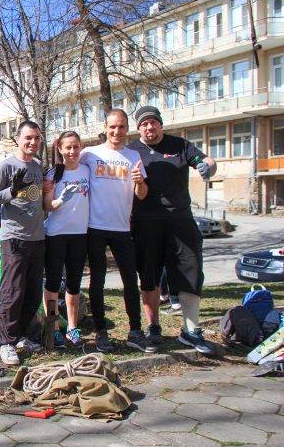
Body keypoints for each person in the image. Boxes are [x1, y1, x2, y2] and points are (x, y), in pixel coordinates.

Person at [127, 105, 217, 355]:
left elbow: (206, 161)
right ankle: (153, 327)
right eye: (144, 124)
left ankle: (191, 330)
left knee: (191, 272)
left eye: (153, 122)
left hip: (181, 221)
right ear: (138, 128)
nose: (149, 127)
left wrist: (208, 166)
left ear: (160, 124)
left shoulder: (180, 145)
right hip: (146, 223)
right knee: (149, 277)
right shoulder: (131, 151)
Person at [80, 108, 149, 353]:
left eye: (121, 127)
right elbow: (71, 169)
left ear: (127, 128)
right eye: (112, 127)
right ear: (105, 128)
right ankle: (101, 332)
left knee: (130, 280)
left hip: (122, 228)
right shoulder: (89, 154)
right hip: (95, 227)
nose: (116, 131)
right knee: (97, 281)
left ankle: (135, 331)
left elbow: (142, 194)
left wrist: (140, 181)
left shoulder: (133, 156)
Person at [0, 121, 48, 365]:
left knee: (32, 293)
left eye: (37, 138)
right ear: (18, 139)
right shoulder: (7, 166)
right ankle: (6, 343)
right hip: (14, 239)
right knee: (13, 292)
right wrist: (11, 191)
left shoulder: (38, 166)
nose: (33, 142)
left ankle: (21, 336)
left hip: (37, 237)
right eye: (28, 138)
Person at [42, 130, 89, 348]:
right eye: (68, 147)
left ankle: (72, 328)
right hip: (56, 234)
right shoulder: (53, 174)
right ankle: (53, 329)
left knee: (74, 284)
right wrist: (60, 200)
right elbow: (47, 205)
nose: (72, 151)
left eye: (75, 147)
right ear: (60, 149)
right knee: (52, 283)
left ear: (81, 147)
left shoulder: (87, 170)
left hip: (80, 235)